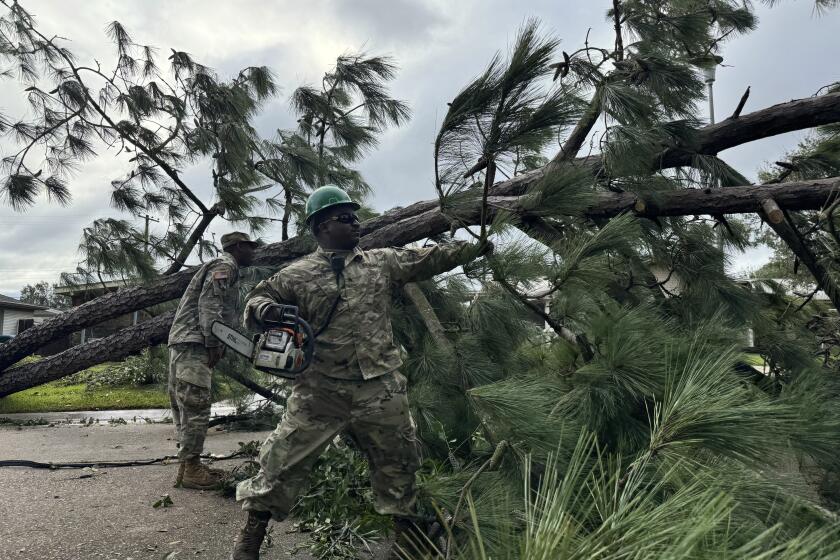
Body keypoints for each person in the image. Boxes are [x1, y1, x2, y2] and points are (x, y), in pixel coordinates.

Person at [229, 185, 491, 559]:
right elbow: (255, 301)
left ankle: (408, 541)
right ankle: (250, 538)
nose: (355, 224)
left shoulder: (381, 261)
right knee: (281, 461)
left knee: (399, 463)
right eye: (345, 218)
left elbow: (428, 258)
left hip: (380, 388)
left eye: (355, 217)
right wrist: (266, 311)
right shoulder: (296, 275)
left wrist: (475, 246)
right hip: (319, 390)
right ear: (321, 227)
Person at [168, 231, 258, 489]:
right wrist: (213, 341)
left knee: (185, 405)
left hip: (184, 340)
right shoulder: (224, 265)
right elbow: (210, 304)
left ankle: (187, 467)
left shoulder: (222, 266)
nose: (254, 252)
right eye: (250, 247)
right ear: (238, 247)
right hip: (195, 341)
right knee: (196, 404)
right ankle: (192, 468)